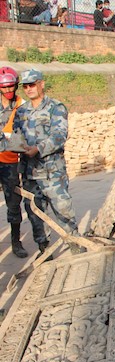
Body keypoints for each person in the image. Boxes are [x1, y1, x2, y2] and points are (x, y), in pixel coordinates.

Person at [14, 69, 80, 255]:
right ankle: (45, 251)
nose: (29, 89)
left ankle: (76, 247)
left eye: (32, 84)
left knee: (63, 211)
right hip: (30, 173)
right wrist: (15, 146)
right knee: (35, 214)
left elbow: (59, 135)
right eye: (25, 86)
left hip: (52, 173)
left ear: (41, 84)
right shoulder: (21, 111)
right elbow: (17, 136)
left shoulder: (55, 107)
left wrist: (38, 148)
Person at [0, 67, 28, 258]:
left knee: (13, 203)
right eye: (5, 87)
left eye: (11, 86)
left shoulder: (22, 106)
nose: (8, 90)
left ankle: (16, 242)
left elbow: (24, 136)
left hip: (10, 162)